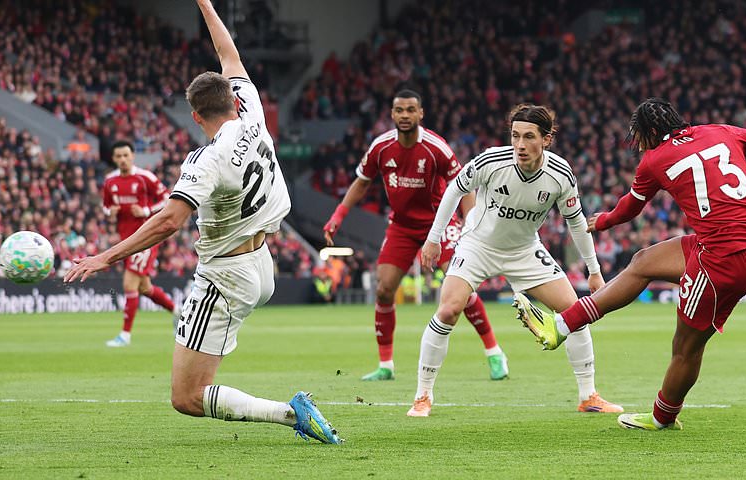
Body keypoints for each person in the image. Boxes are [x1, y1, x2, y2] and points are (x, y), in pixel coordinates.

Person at [65, 0, 341, 445]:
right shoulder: (253, 110)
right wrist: (207, 5)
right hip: (261, 262)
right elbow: (228, 55)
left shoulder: (206, 160)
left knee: (186, 396)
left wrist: (105, 256)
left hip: (226, 276)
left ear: (195, 116)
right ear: (233, 99)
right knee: (192, 383)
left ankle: (293, 415)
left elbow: (169, 221)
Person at [515, 98, 746, 430]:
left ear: (652, 132)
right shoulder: (721, 131)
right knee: (642, 262)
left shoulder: (655, 160)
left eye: (639, 137)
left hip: (723, 260)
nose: (638, 145)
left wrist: (605, 222)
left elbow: (630, 208)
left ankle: (662, 417)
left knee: (686, 347)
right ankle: (563, 325)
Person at [407, 104, 623, 417]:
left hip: (524, 250)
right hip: (478, 245)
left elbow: (576, 223)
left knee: (575, 313)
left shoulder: (561, 175)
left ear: (546, 139)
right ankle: (422, 396)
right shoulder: (492, 161)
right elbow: (455, 189)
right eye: (515, 136)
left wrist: (593, 271)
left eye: (529, 137)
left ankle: (588, 396)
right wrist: (433, 238)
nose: (520, 145)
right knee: (450, 309)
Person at [323, 90, 509, 382]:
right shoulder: (381, 147)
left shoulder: (436, 148)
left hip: (439, 224)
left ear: (421, 114)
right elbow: (361, 183)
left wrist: (471, 224)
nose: (405, 115)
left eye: (411, 110)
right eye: (399, 110)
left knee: (462, 287)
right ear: (393, 114)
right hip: (401, 226)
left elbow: (464, 185)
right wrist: (337, 216)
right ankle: (386, 365)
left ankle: (494, 353)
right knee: (384, 288)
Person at [101, 140, 177, 347]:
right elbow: (106, 206)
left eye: (126, 155)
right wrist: (110, 212)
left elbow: (167, 199)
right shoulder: (110, 181)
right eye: (118, 156)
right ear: (114, 159)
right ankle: (178, 312)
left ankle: (125, 335)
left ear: (133, 156)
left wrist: (145, 211)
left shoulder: (145, 178)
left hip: (146, 237)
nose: (123, 160)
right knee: (144, 287)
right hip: (125, 240)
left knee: (129, 283)